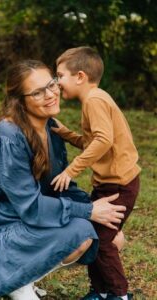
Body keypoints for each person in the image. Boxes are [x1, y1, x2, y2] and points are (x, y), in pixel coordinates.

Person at [0, 60, 126, 300]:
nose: (50, 95)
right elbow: (31, 207)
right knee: (82, 232)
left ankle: (24, 277)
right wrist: (88, 211)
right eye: (38, 92)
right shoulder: (8, 136)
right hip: (2, 234)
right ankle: (15, 281)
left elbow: (60, 186)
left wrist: (100, 209)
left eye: (52, 85)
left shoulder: (51, 128)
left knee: (111, 236)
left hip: (32, 226)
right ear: (20, 101)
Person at [51, 47, 141, 300]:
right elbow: (95, 142)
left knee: (102, 242)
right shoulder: (95, 99)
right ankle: (100, 292)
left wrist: (71, 170)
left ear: (80, 76)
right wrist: (66, 134)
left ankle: (119, 294)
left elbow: (103, 140)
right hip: (109, 184)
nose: (57, 83)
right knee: (95, 238)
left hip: (119, 186)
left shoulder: (94, 100)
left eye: (60, 76)